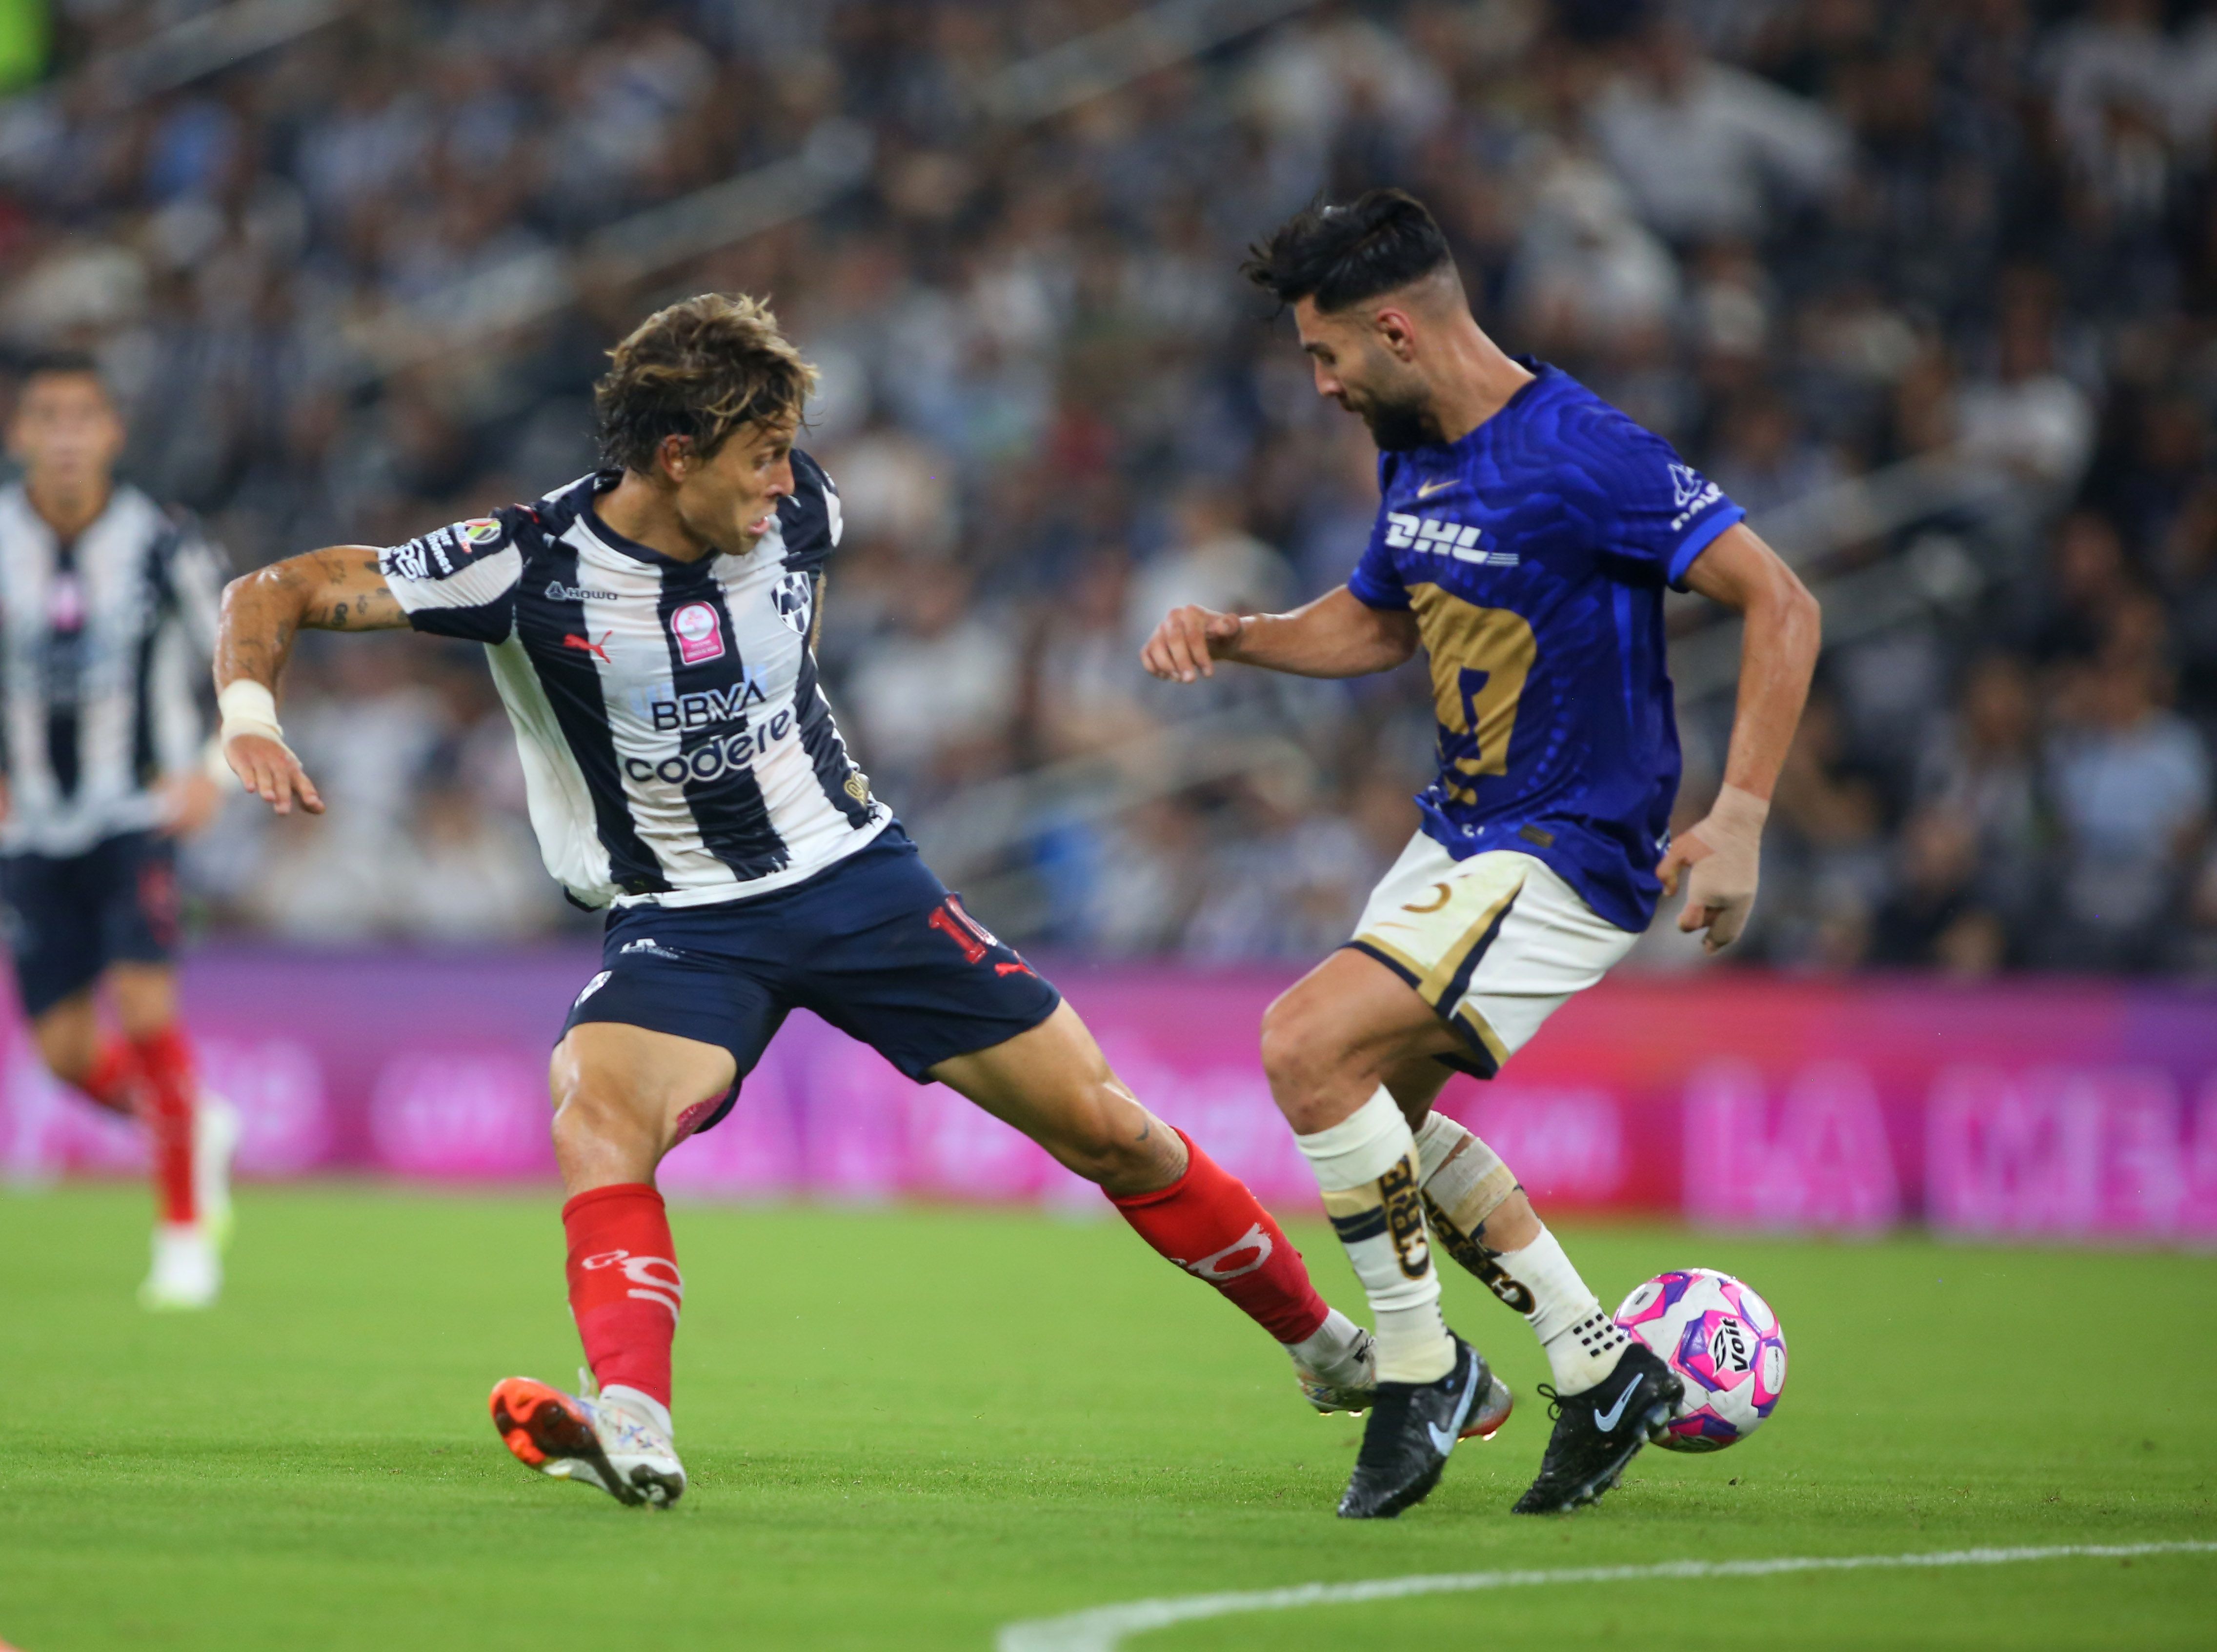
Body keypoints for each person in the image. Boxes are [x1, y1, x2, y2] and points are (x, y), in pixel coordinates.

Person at [211, 294, 1436, 1510]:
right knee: (596, 1116)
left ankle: (1335, 1352)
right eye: (759, 456)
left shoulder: (799, 508)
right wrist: (252, 720)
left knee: (1108, 1128)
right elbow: (276, 590)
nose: (783, 481)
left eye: (787, 452)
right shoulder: (528, 563)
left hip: (859, 883)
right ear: (674, 456)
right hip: (683, 921)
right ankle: (632, 1422)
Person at [1143, 190, 1820, 1519]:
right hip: (1461, 828)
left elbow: (1781, 600)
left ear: (1394, 327)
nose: (1322, 383)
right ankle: (1598, 1363)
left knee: (1303, 1045)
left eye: (1325, 354)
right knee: (1375, 1121)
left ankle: (1417, 1371)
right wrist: (1241, 634)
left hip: (1571, 844)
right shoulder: (1419, 448)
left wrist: (1740, 815)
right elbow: (1381, 622)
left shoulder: (1584, 452)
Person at [0, 350, 238, 1309]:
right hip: (30, 827)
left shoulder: (162, 541)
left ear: (111, 434)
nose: (63, 435)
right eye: (45, 417)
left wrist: (215, 768)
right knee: (61, 1051)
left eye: (81, 417)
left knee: (145, 1011)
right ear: (21, 434)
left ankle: (183, 1236)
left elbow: (244, 649)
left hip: (135, 813)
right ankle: (195, 1125)